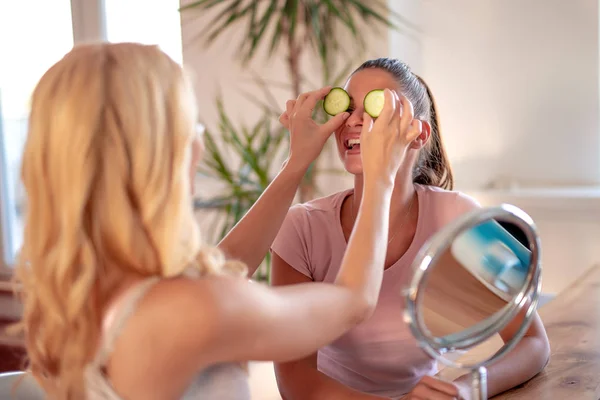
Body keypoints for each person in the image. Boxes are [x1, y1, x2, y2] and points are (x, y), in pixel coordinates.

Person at [12, 42, 421, 400]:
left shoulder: (100, 290)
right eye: (191, 126)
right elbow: (353, 301)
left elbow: (226, 266)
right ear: (156, 155)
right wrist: (381, 175)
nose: (200, 144)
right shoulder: (192, 310)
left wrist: (296, 165)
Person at [271, 57, 551, 400]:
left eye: (377, 108)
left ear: (418, 135)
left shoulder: (457, 216)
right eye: (347, 107)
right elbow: (296, 382)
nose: (354, 121)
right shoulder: (302, 228)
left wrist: (464, 389)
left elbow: (532, 340)